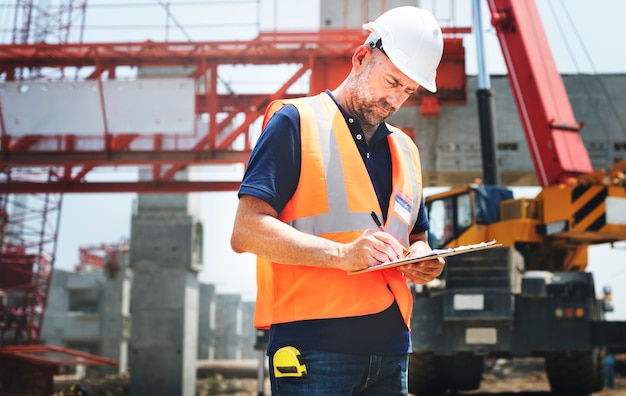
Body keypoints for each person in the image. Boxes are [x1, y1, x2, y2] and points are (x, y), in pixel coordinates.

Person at [231, 6, 446, 395]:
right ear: (361, 57)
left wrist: (423, 259)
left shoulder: (406, 150)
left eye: (407, 91)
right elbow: (246, 231)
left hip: (392, 349)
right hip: (315, 348)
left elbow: (417, 236)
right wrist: (342, 256)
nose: (394, 99)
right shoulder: (295, 121)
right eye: (390, 81)